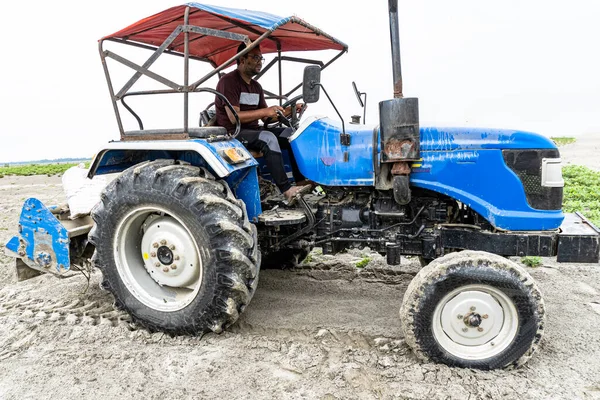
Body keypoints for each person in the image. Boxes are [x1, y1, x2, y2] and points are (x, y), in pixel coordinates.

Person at [214, 43, 311, 202]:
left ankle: (301, 182)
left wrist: (288, 111)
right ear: (242, 59)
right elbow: (234, 117)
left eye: (261, 58)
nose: (259, 61)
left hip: (253, 132)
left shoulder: (256, 86)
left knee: (291, 134)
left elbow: (267, 118)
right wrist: (266, 111)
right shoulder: (228, 82)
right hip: (233, 133)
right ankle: (286, 190)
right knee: (267, 137)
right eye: (255, 57)